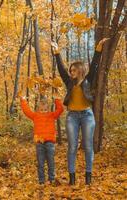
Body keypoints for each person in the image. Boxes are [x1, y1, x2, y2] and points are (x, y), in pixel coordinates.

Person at [51, 38, 109, 185]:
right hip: (72, 117)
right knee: (72, 147)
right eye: (71, 70)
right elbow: (61, 68)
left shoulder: (88, 80)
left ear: (81, 70)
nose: (71, 72)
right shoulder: (68, 81)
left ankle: (88, 177)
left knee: (89, 146)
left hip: (87, 116)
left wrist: (98, 48)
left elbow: (95, 65)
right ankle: (72, 178)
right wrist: (56, 51)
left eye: (74, 70)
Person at [20, 95, 64, 184]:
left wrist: (57, 99)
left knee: (50, 161)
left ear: (48, 109)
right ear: (38, 109)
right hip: (39, 142)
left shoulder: (51, 115)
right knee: (40, 162)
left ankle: (51, 179)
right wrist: (23, 100)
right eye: (41, 110)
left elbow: (60, 110)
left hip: (50, 142)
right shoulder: (36, 116)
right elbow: (27, 111)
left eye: (45, 110)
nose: (43, 111)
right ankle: (41, 180)